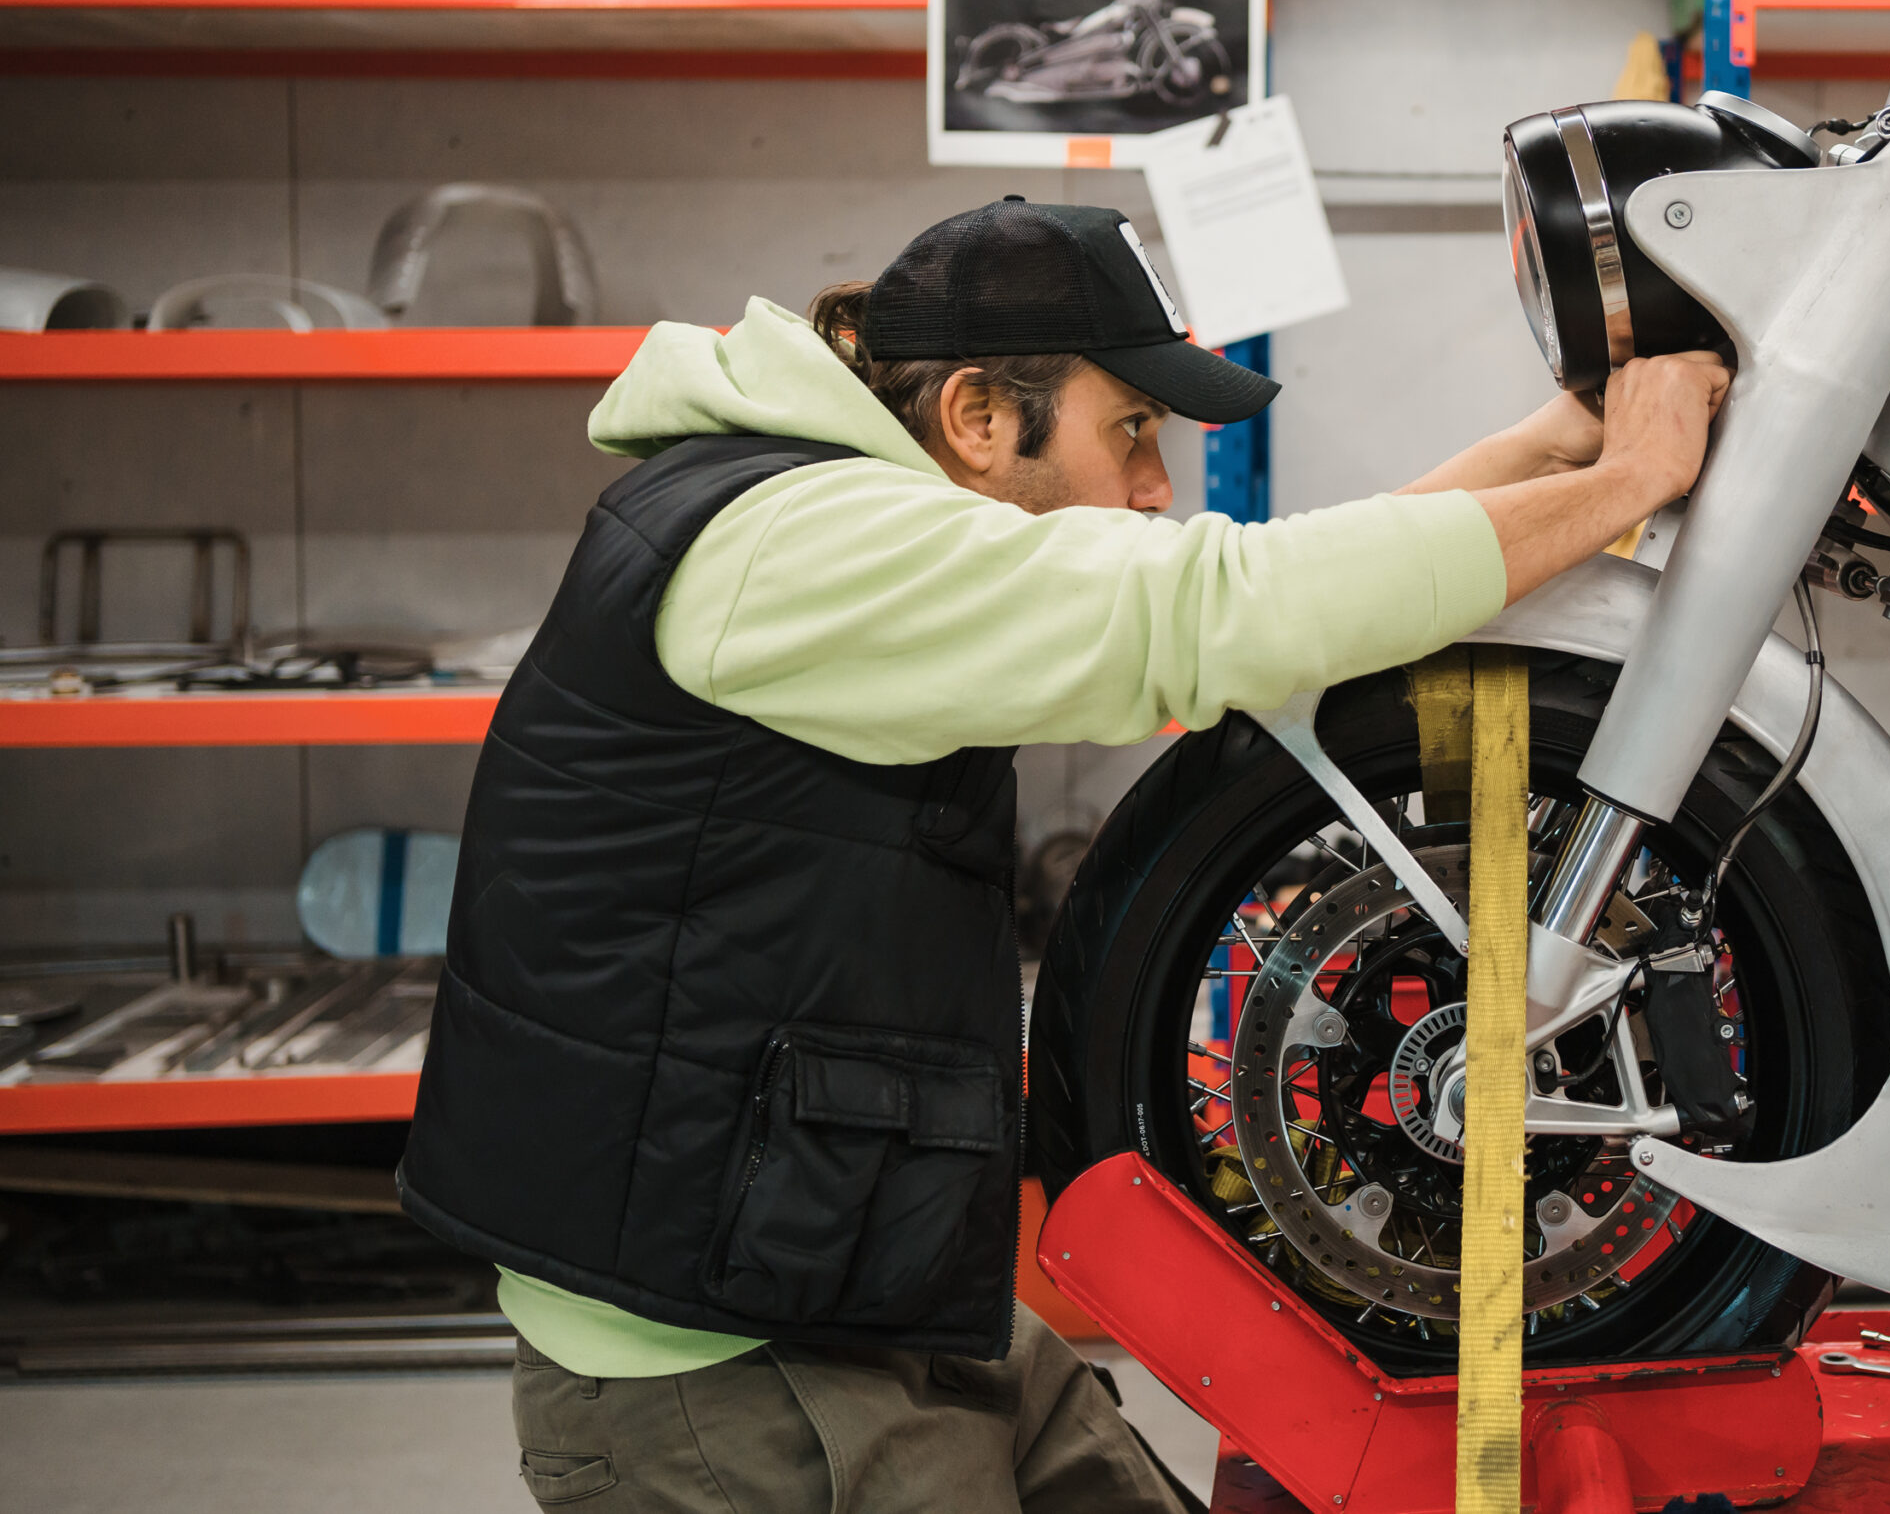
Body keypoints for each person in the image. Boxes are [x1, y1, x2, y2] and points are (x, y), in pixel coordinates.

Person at [394, 199, 1730, 1514]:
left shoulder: (820, 514)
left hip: (842, 1278)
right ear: (979, 415)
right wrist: (1626, 483)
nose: (1155, 485)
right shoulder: (797, 545)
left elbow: (1253, 606)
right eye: (1131, 431)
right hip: (728, 1373)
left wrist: (1550, 447)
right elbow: (1209, 613)